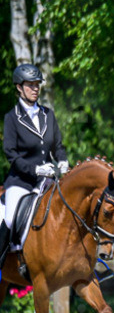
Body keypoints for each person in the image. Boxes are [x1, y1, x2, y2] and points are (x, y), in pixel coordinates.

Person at [1, 64, 68, 270]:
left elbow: (57, 146)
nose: (35, 88)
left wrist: (63, 161)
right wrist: (35, 169)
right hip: (21, 182)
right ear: (19, 88)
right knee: (11, 218)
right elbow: (11, 153)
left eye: (37, 84)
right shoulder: (12, 118)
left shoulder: (48, 115)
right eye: (30, 85)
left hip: (46, 182)